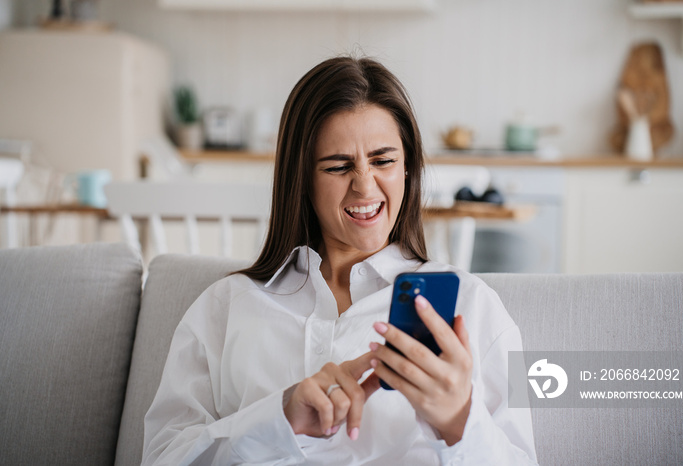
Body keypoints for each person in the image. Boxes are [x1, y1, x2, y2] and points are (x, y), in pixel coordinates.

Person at [142, 56, 538, 465]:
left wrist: (459, 421)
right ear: (302, 180)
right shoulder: (225, 308)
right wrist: (278, 419)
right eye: (338, 166)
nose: (365, 186)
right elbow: (161, 458)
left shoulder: (473, 306)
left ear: (408, 169)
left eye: (383, 161)